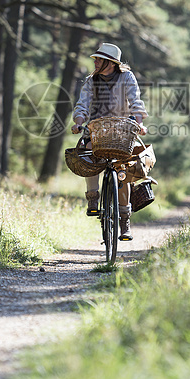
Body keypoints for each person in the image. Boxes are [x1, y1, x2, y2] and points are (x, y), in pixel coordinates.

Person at [71, 42, 148, 241]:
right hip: (97, 129)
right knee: (89, 155)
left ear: (111, 63)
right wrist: (79, 123)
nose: (95, 62)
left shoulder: (127, 77)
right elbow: (82, 105)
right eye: (95, 59)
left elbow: (136, 102)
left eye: (99, 59)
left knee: (125, 172)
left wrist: (139, 123)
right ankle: (93, 198)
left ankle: (124, 221)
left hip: (122, 129)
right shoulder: (91, 81)